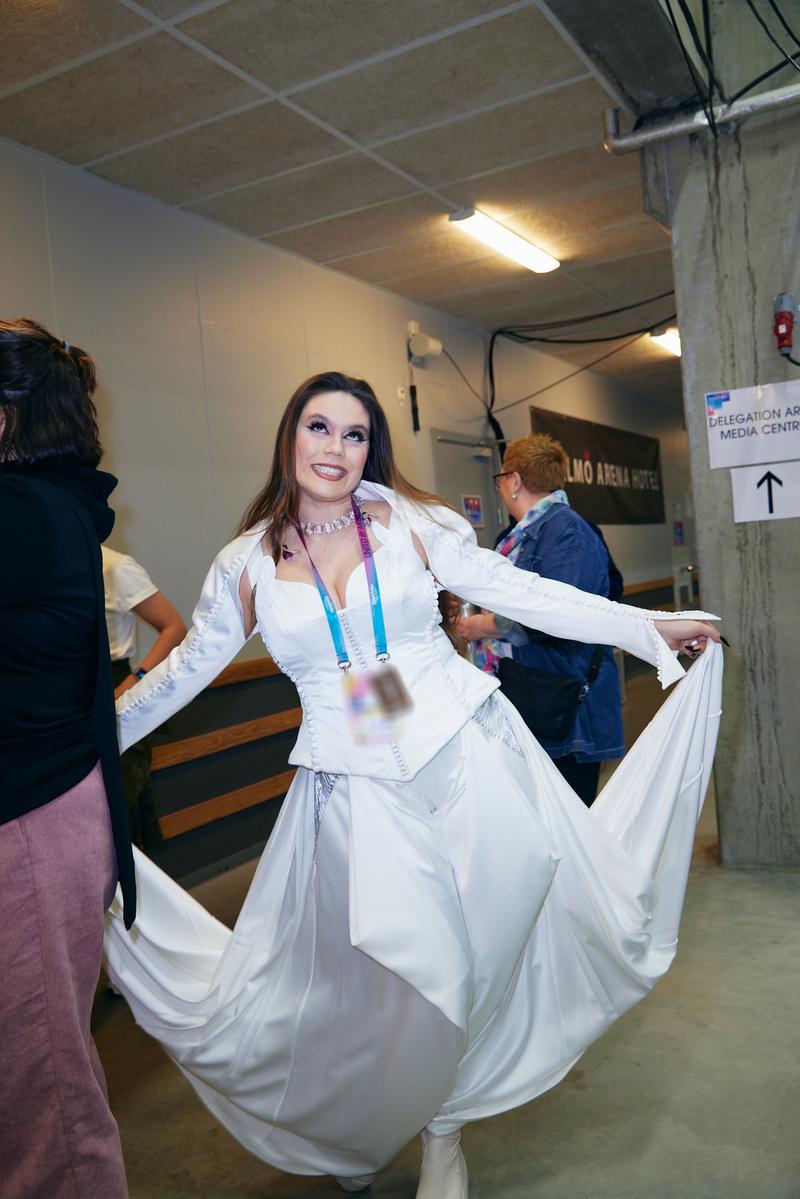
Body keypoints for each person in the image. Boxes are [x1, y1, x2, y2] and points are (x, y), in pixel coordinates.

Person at [105, 371, 721, 1198]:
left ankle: (444, 1129)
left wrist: (647, 626)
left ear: (372, 447)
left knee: (474, 955)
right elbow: (181, 672)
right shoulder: (244, 562)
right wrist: (76, 745)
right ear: (290, 436)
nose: (335, 448)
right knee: (385, 980)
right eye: (319, 427)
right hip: (350, 793)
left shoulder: (411, 521)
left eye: (354, 434)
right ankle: (363, 1124)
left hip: (466, 756)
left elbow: (521, 591)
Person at [0, 318, 134, 1199]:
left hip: (33, 815)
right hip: (40, 804)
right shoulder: (46, 507)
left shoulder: (28, 511)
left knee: (42, 1090)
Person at [458, 434, 625, 805]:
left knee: (570, 824)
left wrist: (485, 626)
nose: (501, 487)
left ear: (514, 480)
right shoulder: (520, 536)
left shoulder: (566, 532)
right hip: (535, 695)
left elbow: (559, 614)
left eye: (500, 478)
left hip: (564, 704)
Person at [103, 546, 187, 849]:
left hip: (112, 689)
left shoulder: (115, 566)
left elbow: (174, 627)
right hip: (62, 696)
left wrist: (134, 679)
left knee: (121, 807)